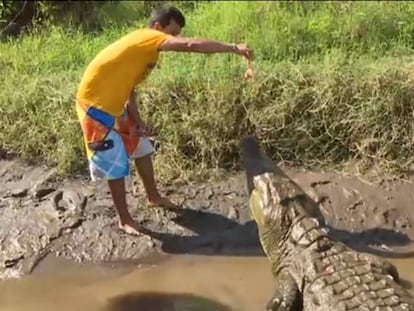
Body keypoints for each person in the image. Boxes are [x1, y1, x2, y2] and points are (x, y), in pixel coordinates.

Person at [75, 4, 254, 236]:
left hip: (116, 104)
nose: (175, 39)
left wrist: (136, 121)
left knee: (142, 147)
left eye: (176, 35)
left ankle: (153, 197)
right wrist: (234, 48)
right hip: (95, 107)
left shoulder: (147, 53)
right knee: (115, 164)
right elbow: (191, 45)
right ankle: (124, 219)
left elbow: (130, 88)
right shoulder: (147, 37)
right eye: (172, 33)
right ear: (158, 26)